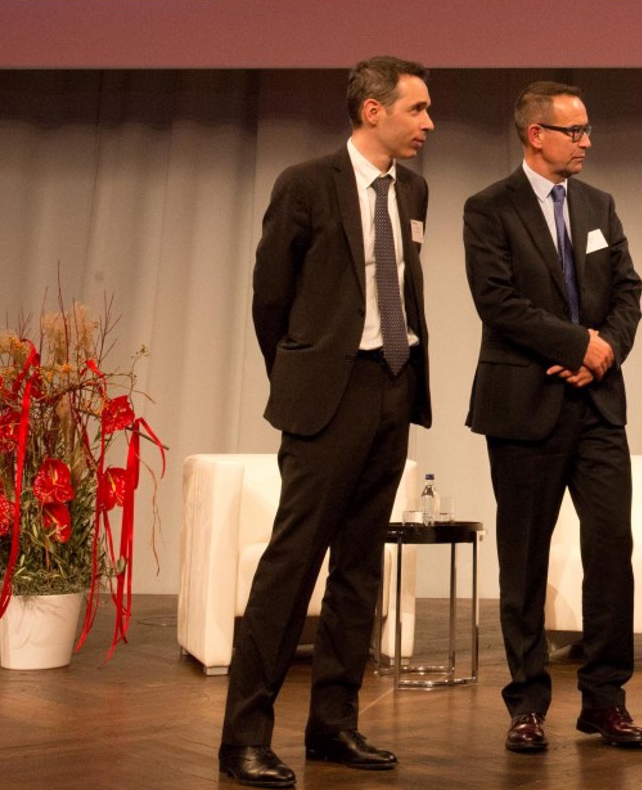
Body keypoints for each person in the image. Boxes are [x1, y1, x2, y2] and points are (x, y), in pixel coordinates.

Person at [219, 57, 437, 789]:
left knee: (360, 566)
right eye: (416, 109)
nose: (429, 123)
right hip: (327, 395)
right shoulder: (306, 183)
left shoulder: (415, 190)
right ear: (373, 111)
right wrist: (304, 373)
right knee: (293, 564)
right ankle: (244, 737)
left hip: (394, 384)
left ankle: (333, 725)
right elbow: (270, 299)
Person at [464, 82, 642, 754]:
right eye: (575, 130)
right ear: (535, 134)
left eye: (588, 129)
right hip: (524, 406)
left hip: (597, 403)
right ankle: (526, 704)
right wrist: (576, 345)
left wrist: (604, 352)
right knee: (524, 558)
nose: (587, 141)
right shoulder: (489, 208)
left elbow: (627, 290)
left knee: (611, 549)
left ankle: (605, 700)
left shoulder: (599, 205)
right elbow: (497, 301)